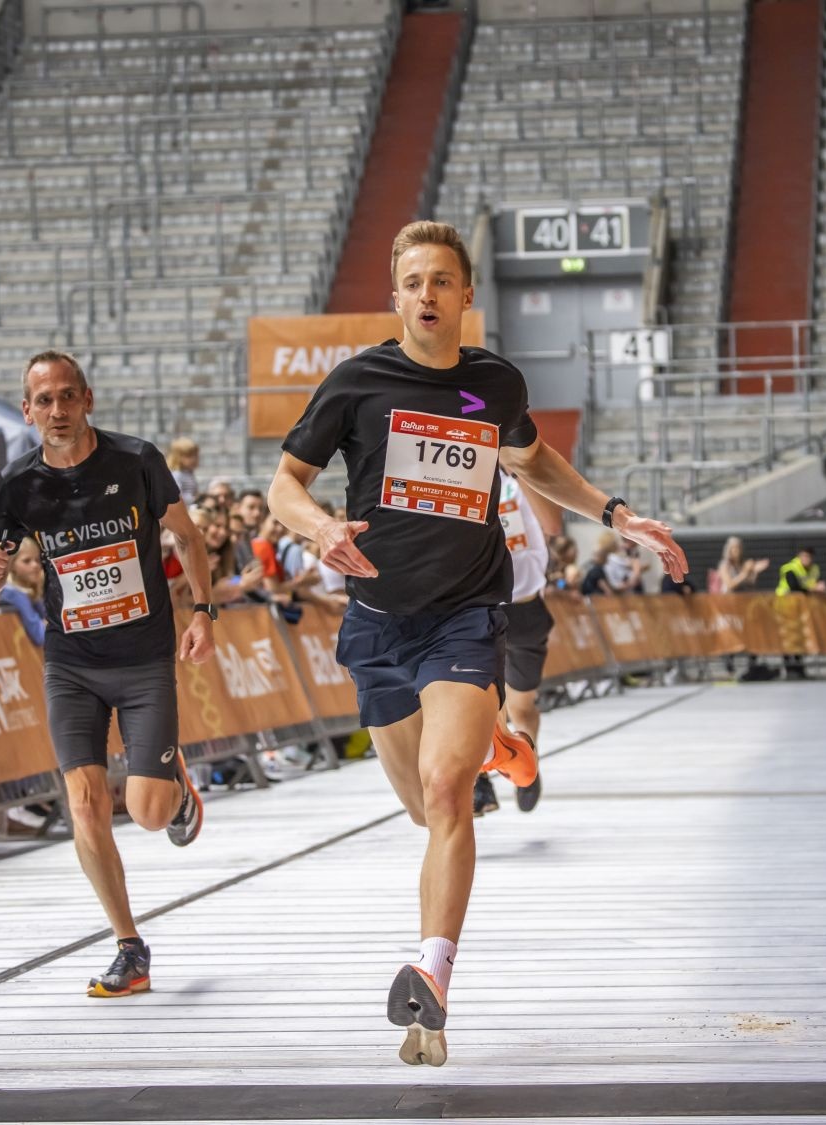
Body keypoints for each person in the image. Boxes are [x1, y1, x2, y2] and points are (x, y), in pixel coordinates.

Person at [267, 220, 685, 1067]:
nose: (428, 295)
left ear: (465, 296)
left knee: (448, 791)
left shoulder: (494, 384)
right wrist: (316, 528)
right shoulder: (356, 383)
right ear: (397, 297)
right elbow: (284, 484)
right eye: (413, 281)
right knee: (423, 807)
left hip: (466, 615)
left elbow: (535, 464)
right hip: (379, 625)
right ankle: (500, 740)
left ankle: (434, 968)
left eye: (443, 281)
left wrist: (616, 515)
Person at [0, 350, 216, 999]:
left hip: (143, 661)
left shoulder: (135, 460)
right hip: (72, 665)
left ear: (88, 399)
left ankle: (175, 787)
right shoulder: (18, 481)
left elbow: (186, 537)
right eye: (43, 400)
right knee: (84, 804)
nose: (57, 410)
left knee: (150, 813)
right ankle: (129, 945)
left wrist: (205, 611)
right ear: (27, 410)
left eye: (67, 397)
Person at [472, 469, 550, 818]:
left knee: (519, 708)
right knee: (476, 706)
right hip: (488, 609)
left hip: (518, 609)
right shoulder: (461, 485)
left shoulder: (513, 490)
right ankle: (481, 776)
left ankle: (524, 756)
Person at [775, 545, 826, 680]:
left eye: (809, 556)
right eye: (804, 556)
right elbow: (794, 587)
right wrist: (814, 589)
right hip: (785, 608)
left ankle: (799, 669)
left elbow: (819, 583)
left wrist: (817, 588)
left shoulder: (814, 569)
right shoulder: (789, 568)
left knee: (800, 639)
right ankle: (789, 669)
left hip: (802, 610)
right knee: (787, 639)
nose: (806, 559)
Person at [166, 437, 201, 507]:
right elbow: (178, 496)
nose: (193, 459)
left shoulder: (189, 474)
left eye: (195, 456)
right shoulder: (177, 475)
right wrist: (194, 499)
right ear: (177, 457)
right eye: (189, 456)